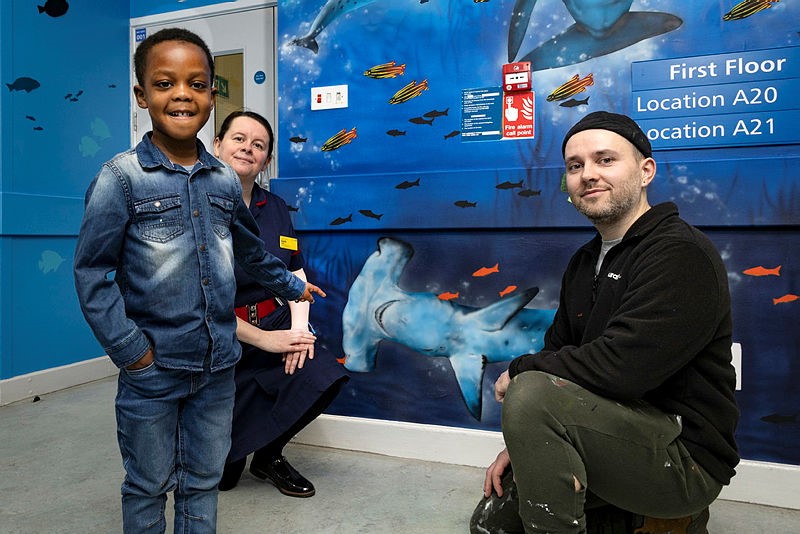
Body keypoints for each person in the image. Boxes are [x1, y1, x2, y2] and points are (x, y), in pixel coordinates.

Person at [73, 28, 325, 533]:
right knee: (148, 484)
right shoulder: (120, 179)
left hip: (217, 370)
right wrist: (131, 351)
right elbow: (92, 272)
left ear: (213, 94)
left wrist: (293, 286)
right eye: (165, 83)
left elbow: (252, 252)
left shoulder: (223, 181)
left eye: (197, 83)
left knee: (203, 481)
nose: (182, 93)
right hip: (152, 371)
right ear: (143, 95)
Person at [470, 111, 739, 534]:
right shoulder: (583, 261)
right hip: (610, 431)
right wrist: (524, 444)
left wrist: (523, 380)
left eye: (605, 160)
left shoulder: (680, 253)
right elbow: (557, 355)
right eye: (575, 166)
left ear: (646, 170)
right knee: (494, 524)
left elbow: (623, 369)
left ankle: (674, 514)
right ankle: (632, 516)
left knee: (530, 389)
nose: (588, 175)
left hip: (682, 457)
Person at [212, 110, 349, 497]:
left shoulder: (274, 208)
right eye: (238, 139)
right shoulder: (196, 206)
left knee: (322, 374)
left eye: (258, 145)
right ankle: (233, 451)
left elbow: (296, 273)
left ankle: (269, 454)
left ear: (266, 160)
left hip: (272, 320)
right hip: (221, 333)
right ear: (217, 145)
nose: (247, 148)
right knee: (223, 480)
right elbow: (195, 300)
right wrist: (263, 340)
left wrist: (298, 330)